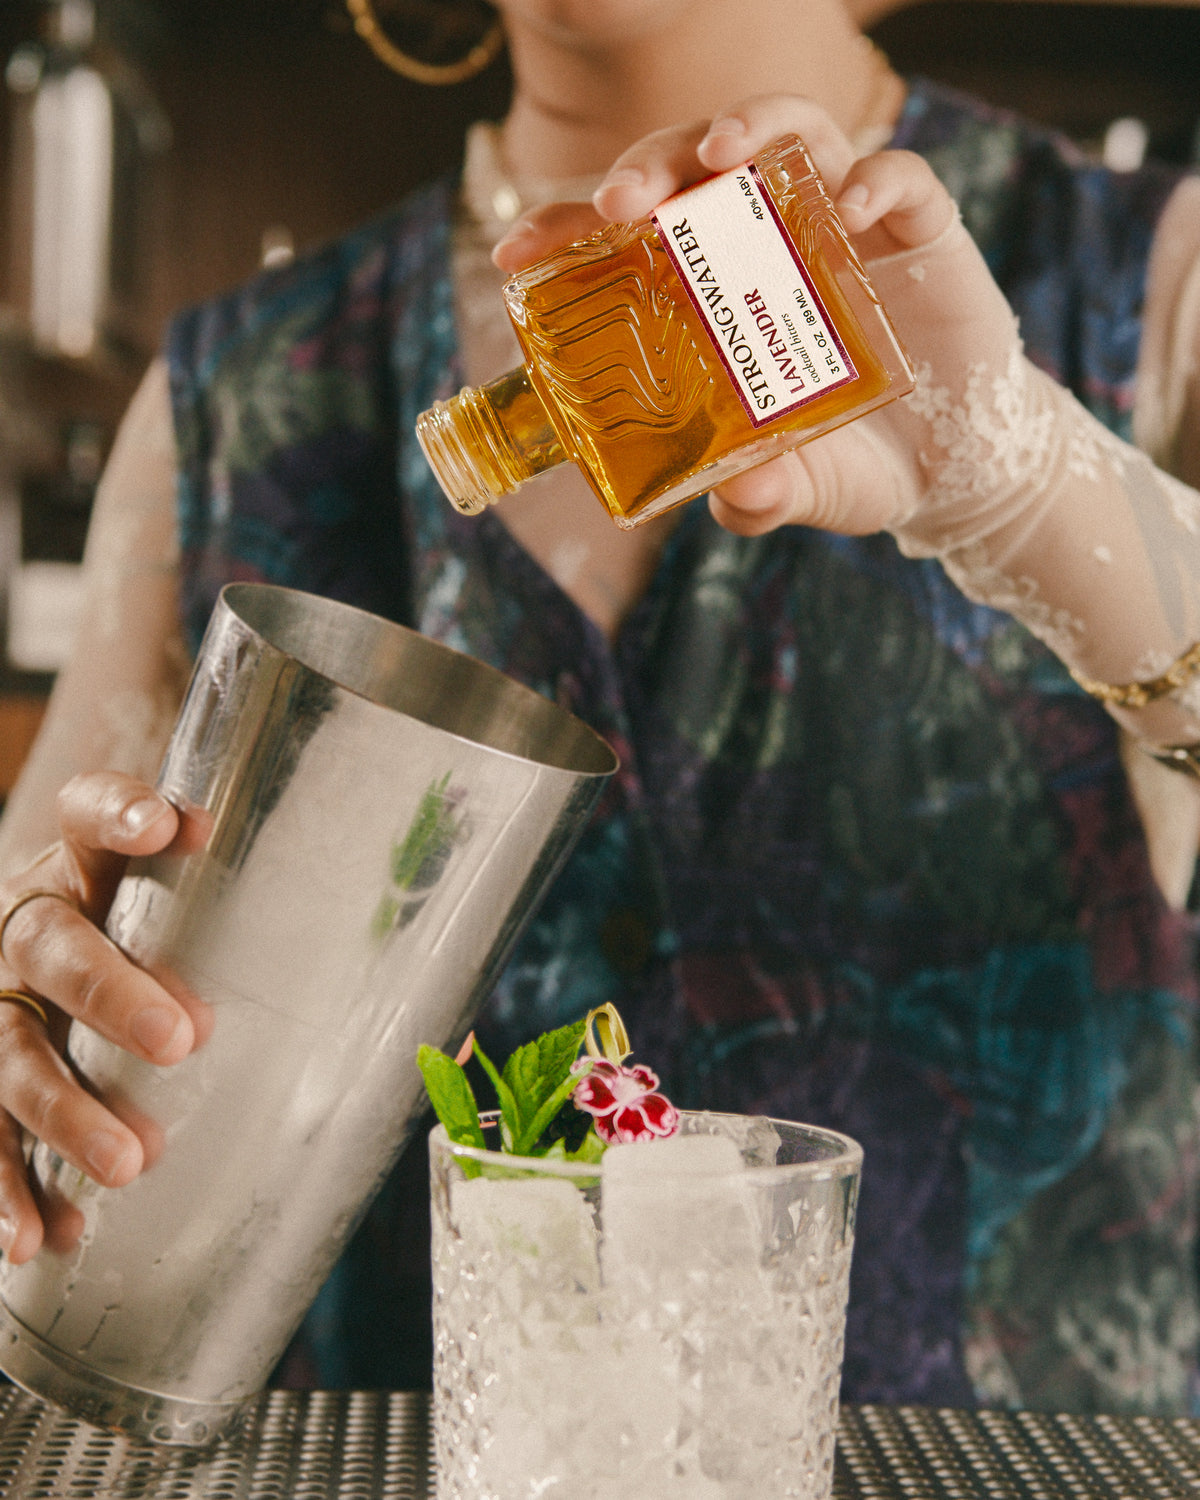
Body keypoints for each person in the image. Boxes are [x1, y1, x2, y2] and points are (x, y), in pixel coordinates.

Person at [1, 0, 1199, 1414]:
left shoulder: (1152, 270)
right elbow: (41, 983)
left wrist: (1018, 483)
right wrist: (37, 1000)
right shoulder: (233, 386)